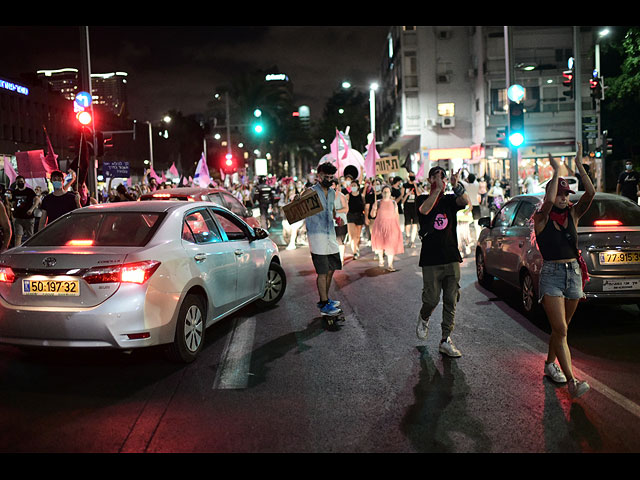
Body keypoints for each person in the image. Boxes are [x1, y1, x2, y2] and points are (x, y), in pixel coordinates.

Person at [533, 144, 595, 398]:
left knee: (562, 328)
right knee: (561, 329)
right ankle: (572, 381)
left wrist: (579, 164)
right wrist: (556, 169)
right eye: (560, 194)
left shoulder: (573, 215)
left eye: (566, 194)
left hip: (573, 275)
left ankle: (550, 364)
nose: (564, 198)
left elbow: (590, 193)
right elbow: (547, 202)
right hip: (551, 276)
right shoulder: (541, 218)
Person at [415, 166, 469, 358]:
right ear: (430, 180)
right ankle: (424, 317)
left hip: (451, 257)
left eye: (443, 178)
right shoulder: (422, 198)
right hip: (430, 259)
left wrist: (456, 186)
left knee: (451, 300)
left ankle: (446, 339)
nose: (441, 180)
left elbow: (465, 202)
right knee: (431, 299)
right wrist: (437, 189)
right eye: (437, 177)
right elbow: (424, 210)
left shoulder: (449, 200)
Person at [302, 162, 342, 318]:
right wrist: (299, 198)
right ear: (319, 176)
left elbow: (331, 210)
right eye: (326, 176)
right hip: (317, 236)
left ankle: (325, 300)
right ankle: (324, 304)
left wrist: (336, 218)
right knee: (322, 271)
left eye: (332, 177)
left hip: (330, 235)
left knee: (332, 268)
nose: (329, 179)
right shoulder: (310, 193)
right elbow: (296, 207)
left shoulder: (332, 193)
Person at [370, 185, 404, 271]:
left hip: (391, 227)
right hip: (379, 226)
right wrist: (374, 209)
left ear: (390, 193)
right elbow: (372, 215)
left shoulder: (393, 203)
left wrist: (398, 227)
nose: (386, 193)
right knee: (380, 245)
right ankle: (381, 259)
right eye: (384, 191)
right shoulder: (377, 202)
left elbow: (396, 215)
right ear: (381, 193)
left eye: (388, 192)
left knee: (390, 246)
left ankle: (390, 265)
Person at [10, 175, 36, 245]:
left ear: (24, 182)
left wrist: (32, 209)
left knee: (30, 236)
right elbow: (13, 203)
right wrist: (12, 213)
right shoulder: (15, 192)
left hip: (29, 218)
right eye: (18, 182)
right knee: (18, 236)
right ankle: (17, 251)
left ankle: (31, 250)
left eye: (21, 181)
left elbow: (37, 200)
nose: (20, 183)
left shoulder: (29, 191)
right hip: (18, 217)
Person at [346, 180, 365, 259]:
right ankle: (354, 252)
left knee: (357, 235)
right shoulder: (348, 196)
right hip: (350, 216)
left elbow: (364, 206)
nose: (353, 187)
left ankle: (356, 248)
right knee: (352, 236)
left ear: (358, 187)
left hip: (359, 216)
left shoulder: (362, 196)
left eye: (354, 185)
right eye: (352, 185)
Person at [402, 172, 422, 248]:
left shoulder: (417, 185)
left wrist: (415, 186)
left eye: (413, 176)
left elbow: (419, 194)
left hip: (415, 206)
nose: (412, 177)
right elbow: (402, 196)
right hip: (407, 206)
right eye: (410, 176)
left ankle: (412, 241)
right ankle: (408, 235)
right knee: (407, 224)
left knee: (415, 224)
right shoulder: (405, 185)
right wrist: (407, 194)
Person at [332, 179, 349, 262]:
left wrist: (336, 211)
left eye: (332, 185)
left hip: (340, 221)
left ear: (336, 186)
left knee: (340, 241)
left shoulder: (341, 196)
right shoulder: (327, 196)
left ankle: (341, 259)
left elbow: (346, 208)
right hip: (331, 222)